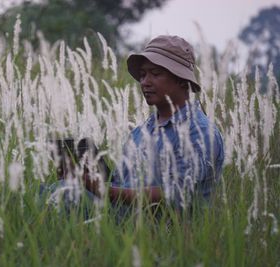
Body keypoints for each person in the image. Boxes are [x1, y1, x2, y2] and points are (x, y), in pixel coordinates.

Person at [80, 35, 225, 211]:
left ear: (181, 79)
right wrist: (88, 179)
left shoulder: (199, 132)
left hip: (170, 234)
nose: (145, 82)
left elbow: (174, 194)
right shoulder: (139, 133)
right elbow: (121, 184)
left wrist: (107, 191)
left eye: (155, 74)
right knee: (61, 190)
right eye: (142, 75)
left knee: (67, 197)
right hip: (122, 225)